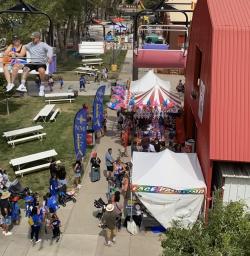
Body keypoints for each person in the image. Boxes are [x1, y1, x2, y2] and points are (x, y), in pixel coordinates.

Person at [16, 31, 53, 96]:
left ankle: (42, 87)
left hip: (41, 62)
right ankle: (22, 85)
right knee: (25, 69)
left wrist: (50, 57)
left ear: (38, 38)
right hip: (32, 62)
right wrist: (15, 51)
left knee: (41, 70)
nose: (32, 39)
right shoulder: (29, 44)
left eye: (34, 38)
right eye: (32, 38)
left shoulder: (43, 44)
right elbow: (23, 48)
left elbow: (50, 49)